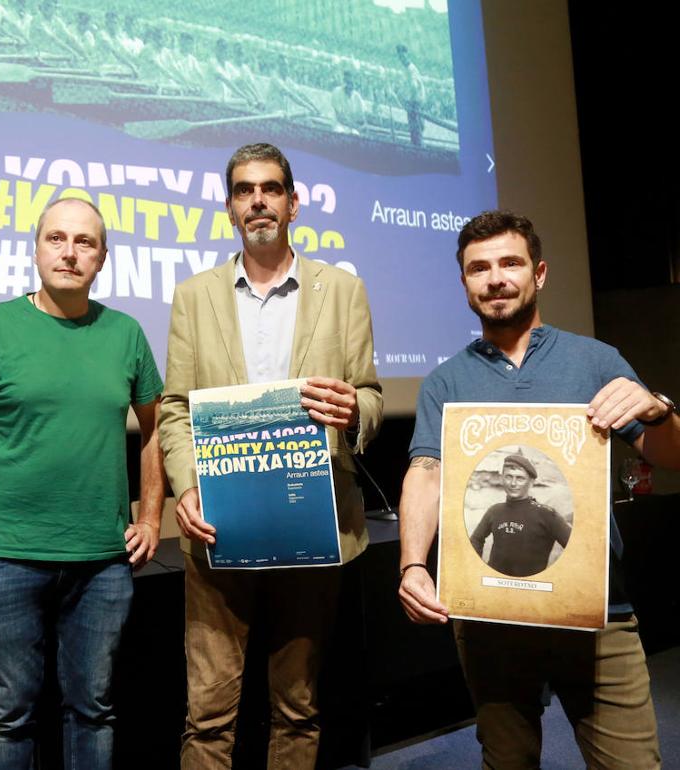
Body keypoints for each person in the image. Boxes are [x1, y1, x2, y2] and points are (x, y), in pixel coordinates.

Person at [397, 210, 680, 768]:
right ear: (464, 284)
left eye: (510, 262)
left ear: (540, 273)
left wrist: (659, 411)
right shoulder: (446, 380)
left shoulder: (595, 360)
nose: (495, 278)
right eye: (479, 268)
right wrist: (411, 564)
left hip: (598, 613)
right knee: (507, 761)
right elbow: (426, 471)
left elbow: (669, 456)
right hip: (489, 621)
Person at [158, 142, 382, 770]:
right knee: (207, 718)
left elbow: (369, 394)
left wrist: (354, 411)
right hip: (219, 527)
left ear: (293, 201)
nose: (258, 200)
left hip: (312, 523)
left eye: (272, 188)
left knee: (299, 709)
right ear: (230, 207)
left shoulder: (342, 289)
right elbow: (175, 406)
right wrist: (186, 487)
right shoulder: (193, 296)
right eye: (244, 190)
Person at [0, 196, 164, 768]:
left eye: (84, 242)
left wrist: (150, 517)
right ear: (36, 248)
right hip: (6, 556)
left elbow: (159, 429)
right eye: (56, 239)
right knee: (9, 713)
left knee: (92, 708)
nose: (69, 252)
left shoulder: (126, 333)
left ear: (103, 257)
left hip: (102, 561)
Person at [468, 452, 571, 577]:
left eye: (520, 478)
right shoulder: (494, 511)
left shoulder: (547, 515)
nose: (513, 483)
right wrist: (477, 570)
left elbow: (575, 548)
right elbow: (476, 540)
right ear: (502, 478)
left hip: (530, 591)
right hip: (494, 586)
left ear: (531, 482)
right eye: (508, 476)